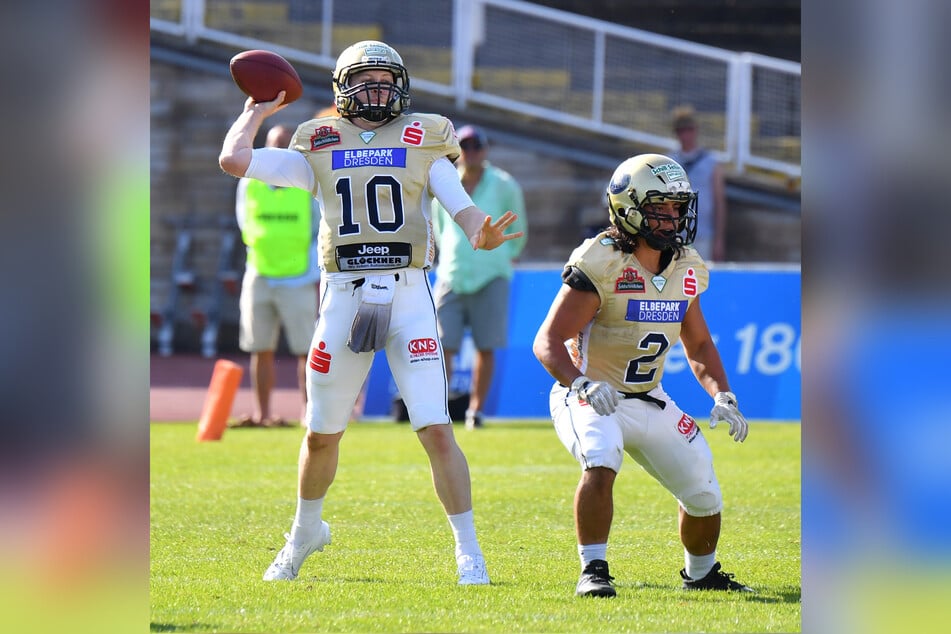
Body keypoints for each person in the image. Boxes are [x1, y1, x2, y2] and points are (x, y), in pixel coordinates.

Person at [218, 40, 523, 585]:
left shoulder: (424, 135)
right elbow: (233, 160)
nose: (379, 88)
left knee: (435, 427)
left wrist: (479, 230)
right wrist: (254, 111)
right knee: (320, 432)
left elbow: (460, 203)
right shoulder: (318, 139)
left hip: (408, 295)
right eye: (367, 79)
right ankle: (305, 532)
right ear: (342, 86)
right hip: (342, 294)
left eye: (387, 79)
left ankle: (469, 551)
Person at [532, 153, 752, 598]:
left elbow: (700, 344)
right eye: (660, 207)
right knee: (600, 456)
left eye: (678, 207)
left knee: (704, 490)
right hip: (590, 394)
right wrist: (581, 384)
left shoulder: (685, 265)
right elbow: (548, 342)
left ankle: (702, 574)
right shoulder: (602, 262)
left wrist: (722, 394)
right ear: (628, 207)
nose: (672, 218)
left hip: (649, 395)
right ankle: (593, 570)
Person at [432, 125, 528, 430]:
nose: (470, 152)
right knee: (443, 344)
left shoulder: (504, 183)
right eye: (465, 146)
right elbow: (438, 228)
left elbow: (517, 228)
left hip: (491, 275)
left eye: (476, 146)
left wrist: (498, 257)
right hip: (451, 273)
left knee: (486, 347)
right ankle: (442, 409)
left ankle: (476, 411)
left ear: (485, 150)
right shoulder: (443, 182)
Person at [230, 123, 320, 428]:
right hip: (260, 273)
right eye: (273, 145)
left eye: (284, 145)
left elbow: (319, 228)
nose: (278, 151)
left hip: (297, 278)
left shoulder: (305, 183)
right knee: (260, 347)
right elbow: (244, 223)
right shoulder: (250, 183)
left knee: (305, 350)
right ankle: (263, 413)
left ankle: (310, 413)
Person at [670, 105, 728, 262]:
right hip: (675, 234)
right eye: (681, 130)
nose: (686, 135)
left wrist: (719, 240)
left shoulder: (711, 162)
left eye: (689, 129)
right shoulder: (669, 161)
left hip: (703, 234)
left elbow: (719, 202)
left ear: (695, 130)